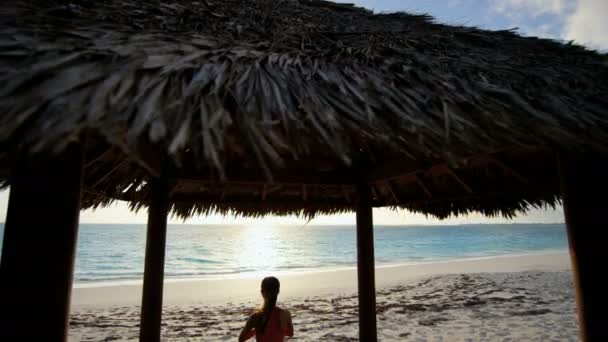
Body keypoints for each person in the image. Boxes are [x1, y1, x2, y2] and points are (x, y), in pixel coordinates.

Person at [239, 276, 294, 341]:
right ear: (278, 291)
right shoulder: (285, 314)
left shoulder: (255, 317)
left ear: (262, 292)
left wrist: (254, 332)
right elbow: (290, 333)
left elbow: (241, 339)